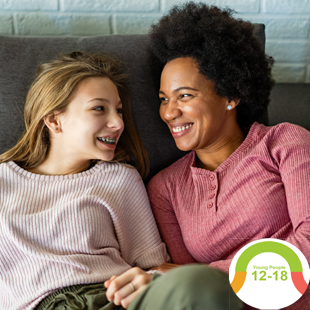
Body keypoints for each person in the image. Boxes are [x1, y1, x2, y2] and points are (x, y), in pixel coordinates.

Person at [0, 51, 242, 310]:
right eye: (99, 109)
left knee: (207, 282)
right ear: (54, 120)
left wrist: (150, 279)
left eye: (118, 111)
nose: (117, 123)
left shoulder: (120, 179)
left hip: (111, 298)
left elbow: (152, 265)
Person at [147, 2, 310, 310]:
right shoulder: (165, 189)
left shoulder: (284, 143)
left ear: (230, 95)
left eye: (185, 95)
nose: (169, 112)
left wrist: (210, 273)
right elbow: (188, 289)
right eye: (164, 99)